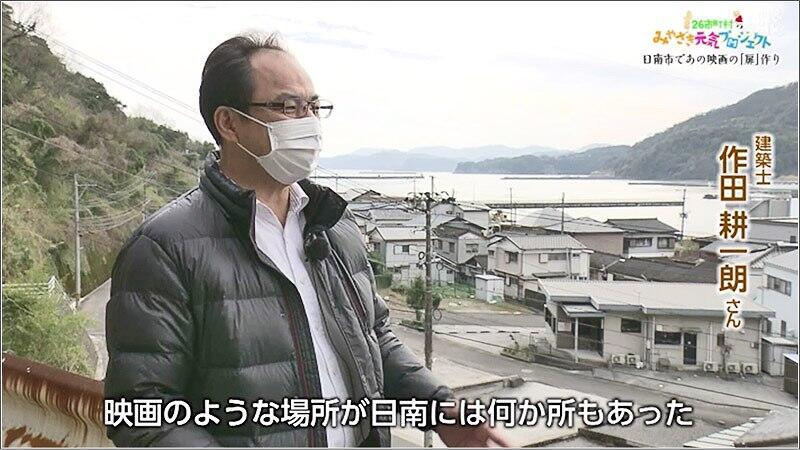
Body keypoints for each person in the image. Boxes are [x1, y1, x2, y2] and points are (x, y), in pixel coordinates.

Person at [104, 33, 511, 448]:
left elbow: (373, 338)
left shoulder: (334, 226)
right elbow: (140, 413)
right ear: (229, 123)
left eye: (314, 107)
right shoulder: (164, 248)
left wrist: (439, 408)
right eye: (288, 107)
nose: (309, 122)